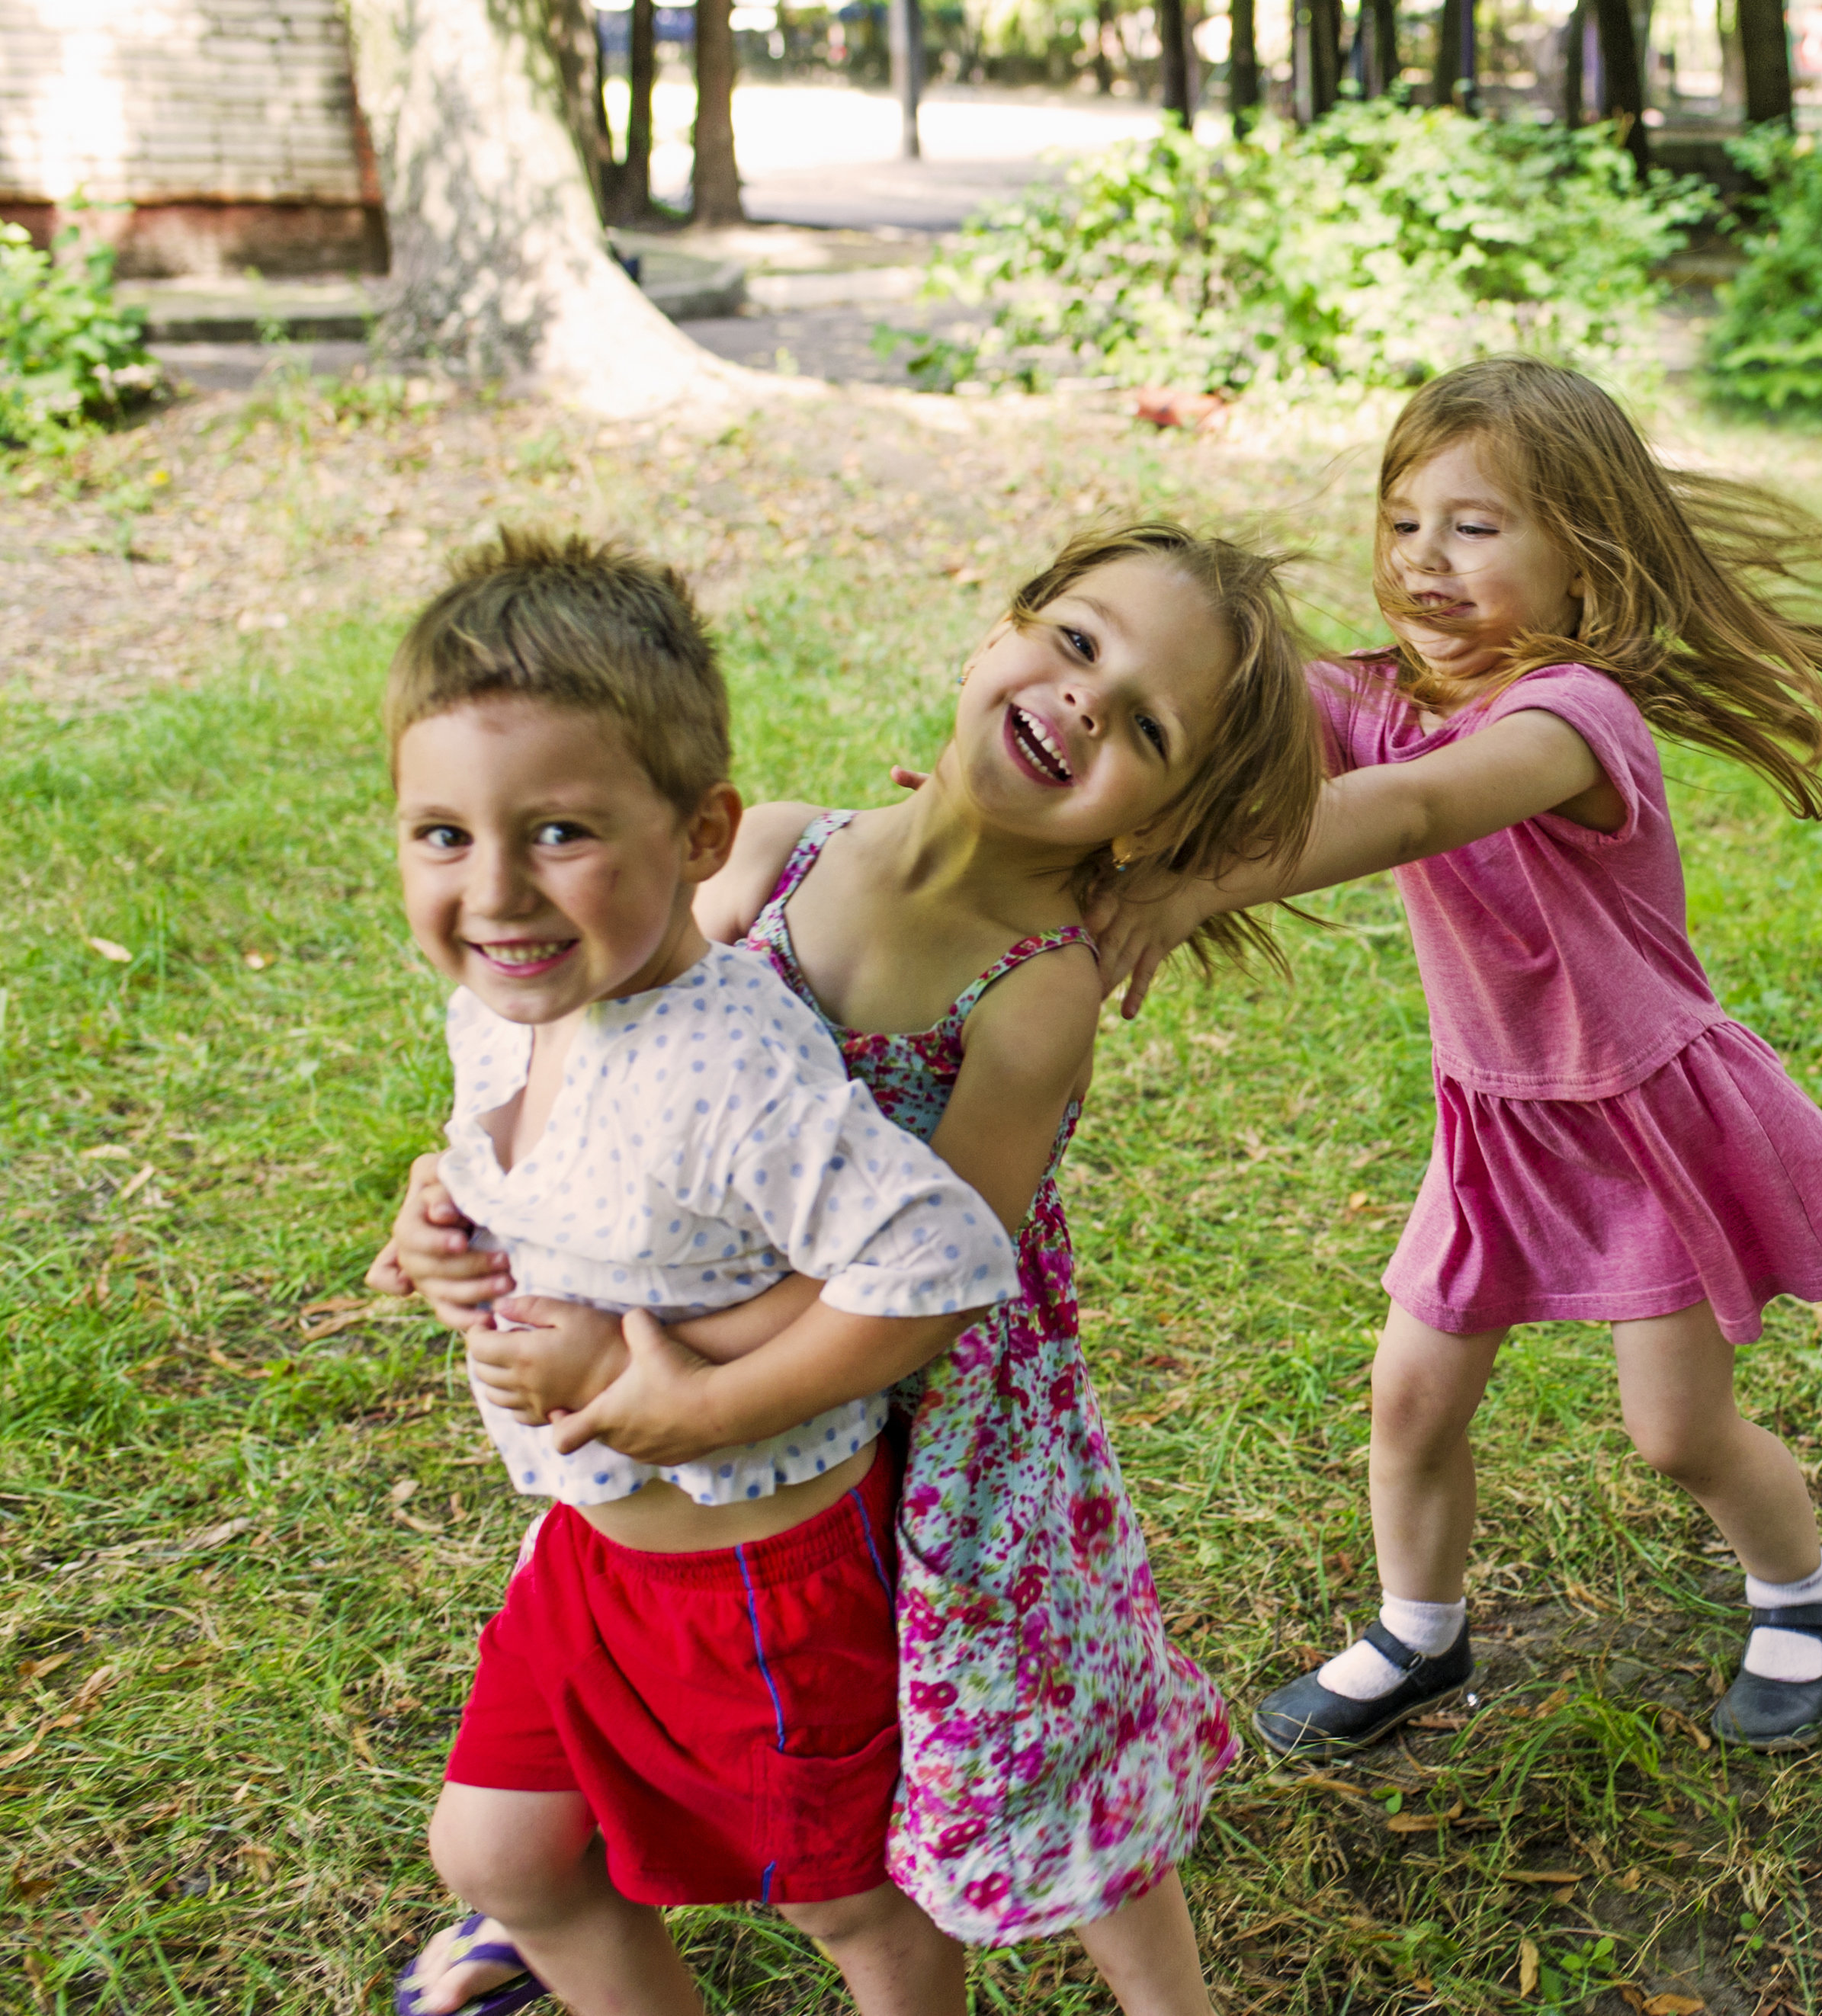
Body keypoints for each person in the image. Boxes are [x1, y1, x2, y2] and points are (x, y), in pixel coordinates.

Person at [387, 523, 1324, 2016]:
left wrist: (682, 1395)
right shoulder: (777, 851)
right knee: (578, 1736)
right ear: (999, 630)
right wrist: (468, 1199)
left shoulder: (1033, 990)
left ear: (1162, 812)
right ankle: (548, 1887)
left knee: (1032, 1718)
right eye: (1077, 642)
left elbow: (941, 1279)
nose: (1084, 699)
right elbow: (610, 1051)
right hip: (694, 1373)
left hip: (912, 1393)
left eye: (1146, 721)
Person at [1092, 356, 1822, 1754]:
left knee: (1677, 1430)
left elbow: (1417, 806)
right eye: (1405, 519)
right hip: (1497, 1123)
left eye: (1476, 528)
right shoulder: (1374, 693)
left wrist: (1200, 886)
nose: (1426, 558)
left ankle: (1803, 1592)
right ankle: (1419, 1632)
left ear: (1585, 566)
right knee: (1410, 1398)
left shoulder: (1572, 718)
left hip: (1639, 1119)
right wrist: (1055, 799)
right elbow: (1229, 715)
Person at [377, 530, 1017, 2016]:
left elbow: (940, 1260)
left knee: (850, 1906)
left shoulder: (728, 1071)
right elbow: (532, 1165)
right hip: (592, 1556)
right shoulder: (512, 1004)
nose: (494, 892)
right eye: (443, 834)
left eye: (558, 831)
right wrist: (439, 1222)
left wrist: (701, 1403)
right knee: (501, 1846)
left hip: (754, 1580)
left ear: (701, 830)